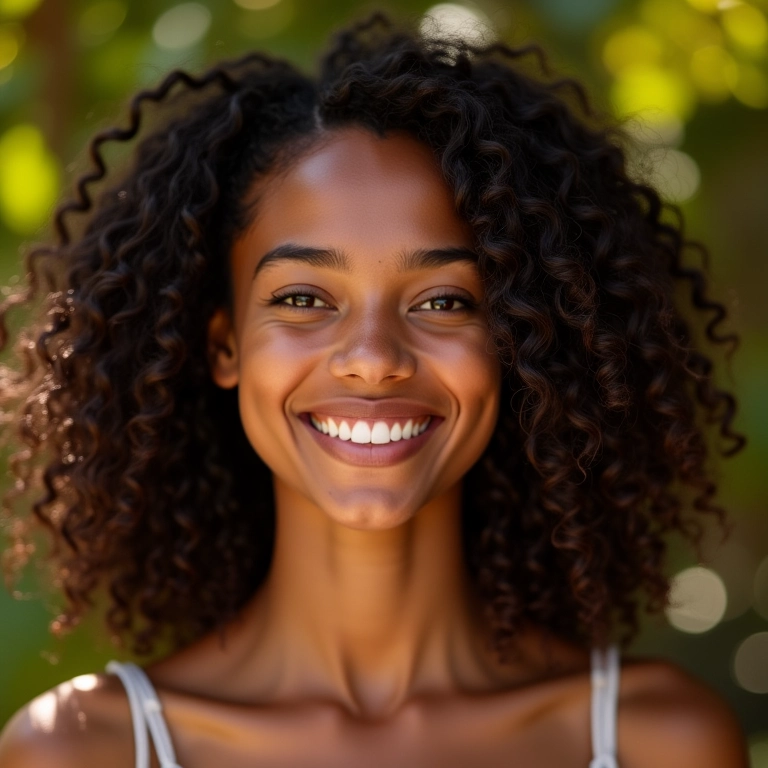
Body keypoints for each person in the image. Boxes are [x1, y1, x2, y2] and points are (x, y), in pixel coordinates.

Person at [0, 12, 749, 767]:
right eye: (303, 299)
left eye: (445, 301)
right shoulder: (83, 750)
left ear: (517, 345)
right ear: (225, 345)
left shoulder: (655, 742)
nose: (372, 359)